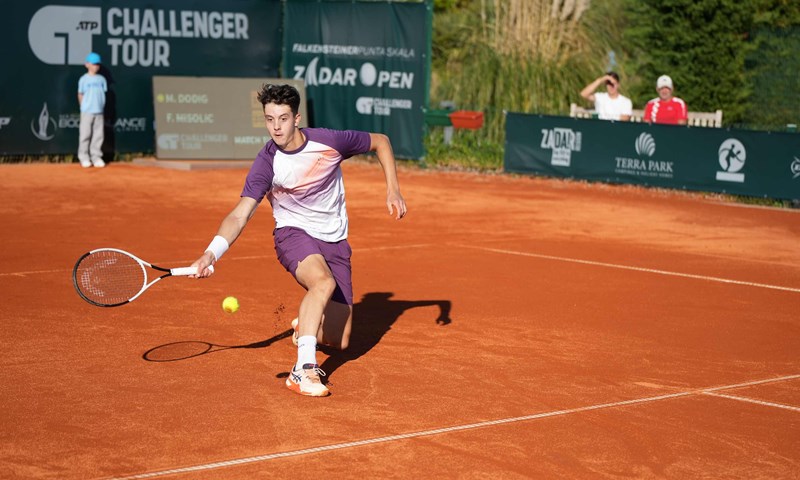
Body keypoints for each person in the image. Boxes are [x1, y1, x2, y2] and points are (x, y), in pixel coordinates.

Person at [190, 84, 407, 397]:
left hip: (334, 239)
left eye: (282, 118)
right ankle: (303, 370)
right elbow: (240, 215)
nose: (276, 127)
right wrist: (211, 254)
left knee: (340, 340)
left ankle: (304, 328)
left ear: (296, 118)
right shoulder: (267, 162)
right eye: (269, 119)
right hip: (292, 233)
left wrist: (393, 189)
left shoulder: (329, 142)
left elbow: (381, 142)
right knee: (322, 283)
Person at [77, 52, 107, 168]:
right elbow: (80, 94)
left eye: (98, 64)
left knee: (98, 135)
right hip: (87, 112)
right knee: (85, 135)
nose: (96, 66)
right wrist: (83, 107)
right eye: (94, 64)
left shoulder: (102, 79)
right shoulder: (83, 79)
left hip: (99, 111)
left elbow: (102, 94)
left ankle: (96, 157)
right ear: (87, 64)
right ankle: (84, 158)